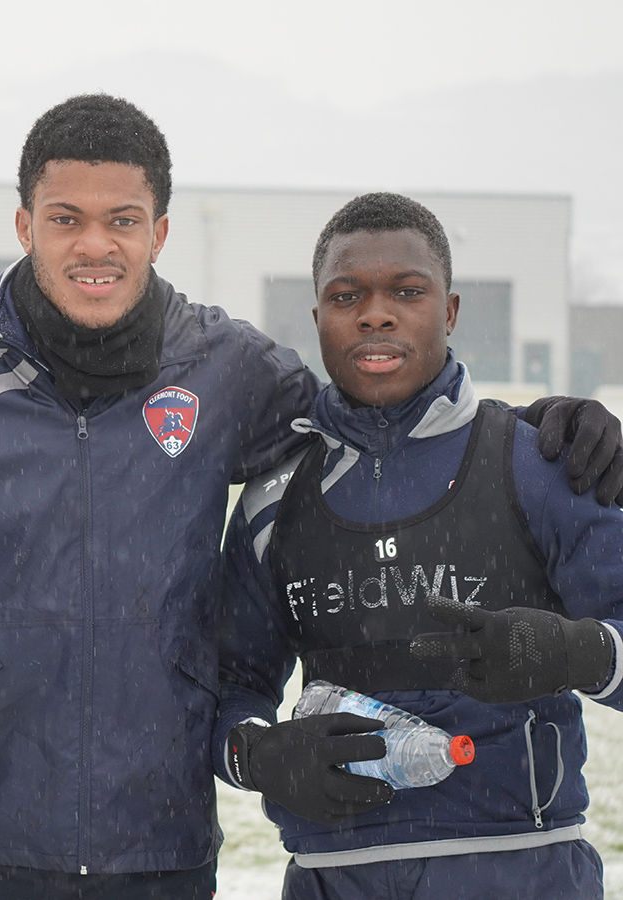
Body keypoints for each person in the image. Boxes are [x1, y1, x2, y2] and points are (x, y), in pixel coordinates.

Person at [0, 99, 621, 898]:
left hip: (156, 855)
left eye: (122, 220)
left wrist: (529, 427)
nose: (96, 245)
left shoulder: (229, 370)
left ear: (159, 230)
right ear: (24, 225)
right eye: (66, 220)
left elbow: (376, 411)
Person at [217, 192, 623, 900]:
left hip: (524, 872)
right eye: (348, 296)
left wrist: (577, 652)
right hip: (329, 880)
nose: (377, 313)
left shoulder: (544, 465)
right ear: (318, 320)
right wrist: (255, 755)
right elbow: (220, 690)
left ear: (452, 310)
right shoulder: (272, 502)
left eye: (408, 291)